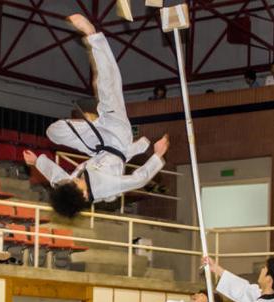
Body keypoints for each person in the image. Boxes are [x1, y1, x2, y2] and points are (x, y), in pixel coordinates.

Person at [24, 14, 169, 218]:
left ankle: (91, 122)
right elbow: (138, 179)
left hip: (98, 145)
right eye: (76, 183)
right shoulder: (105, 188)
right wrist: (157, 156)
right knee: (107, 85)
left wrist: (37, 162)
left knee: (53, 133)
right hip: (118, 136)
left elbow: (57, 177)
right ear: (84, 195)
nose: (73, 179)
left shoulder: (71, 187)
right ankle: (93, 34)